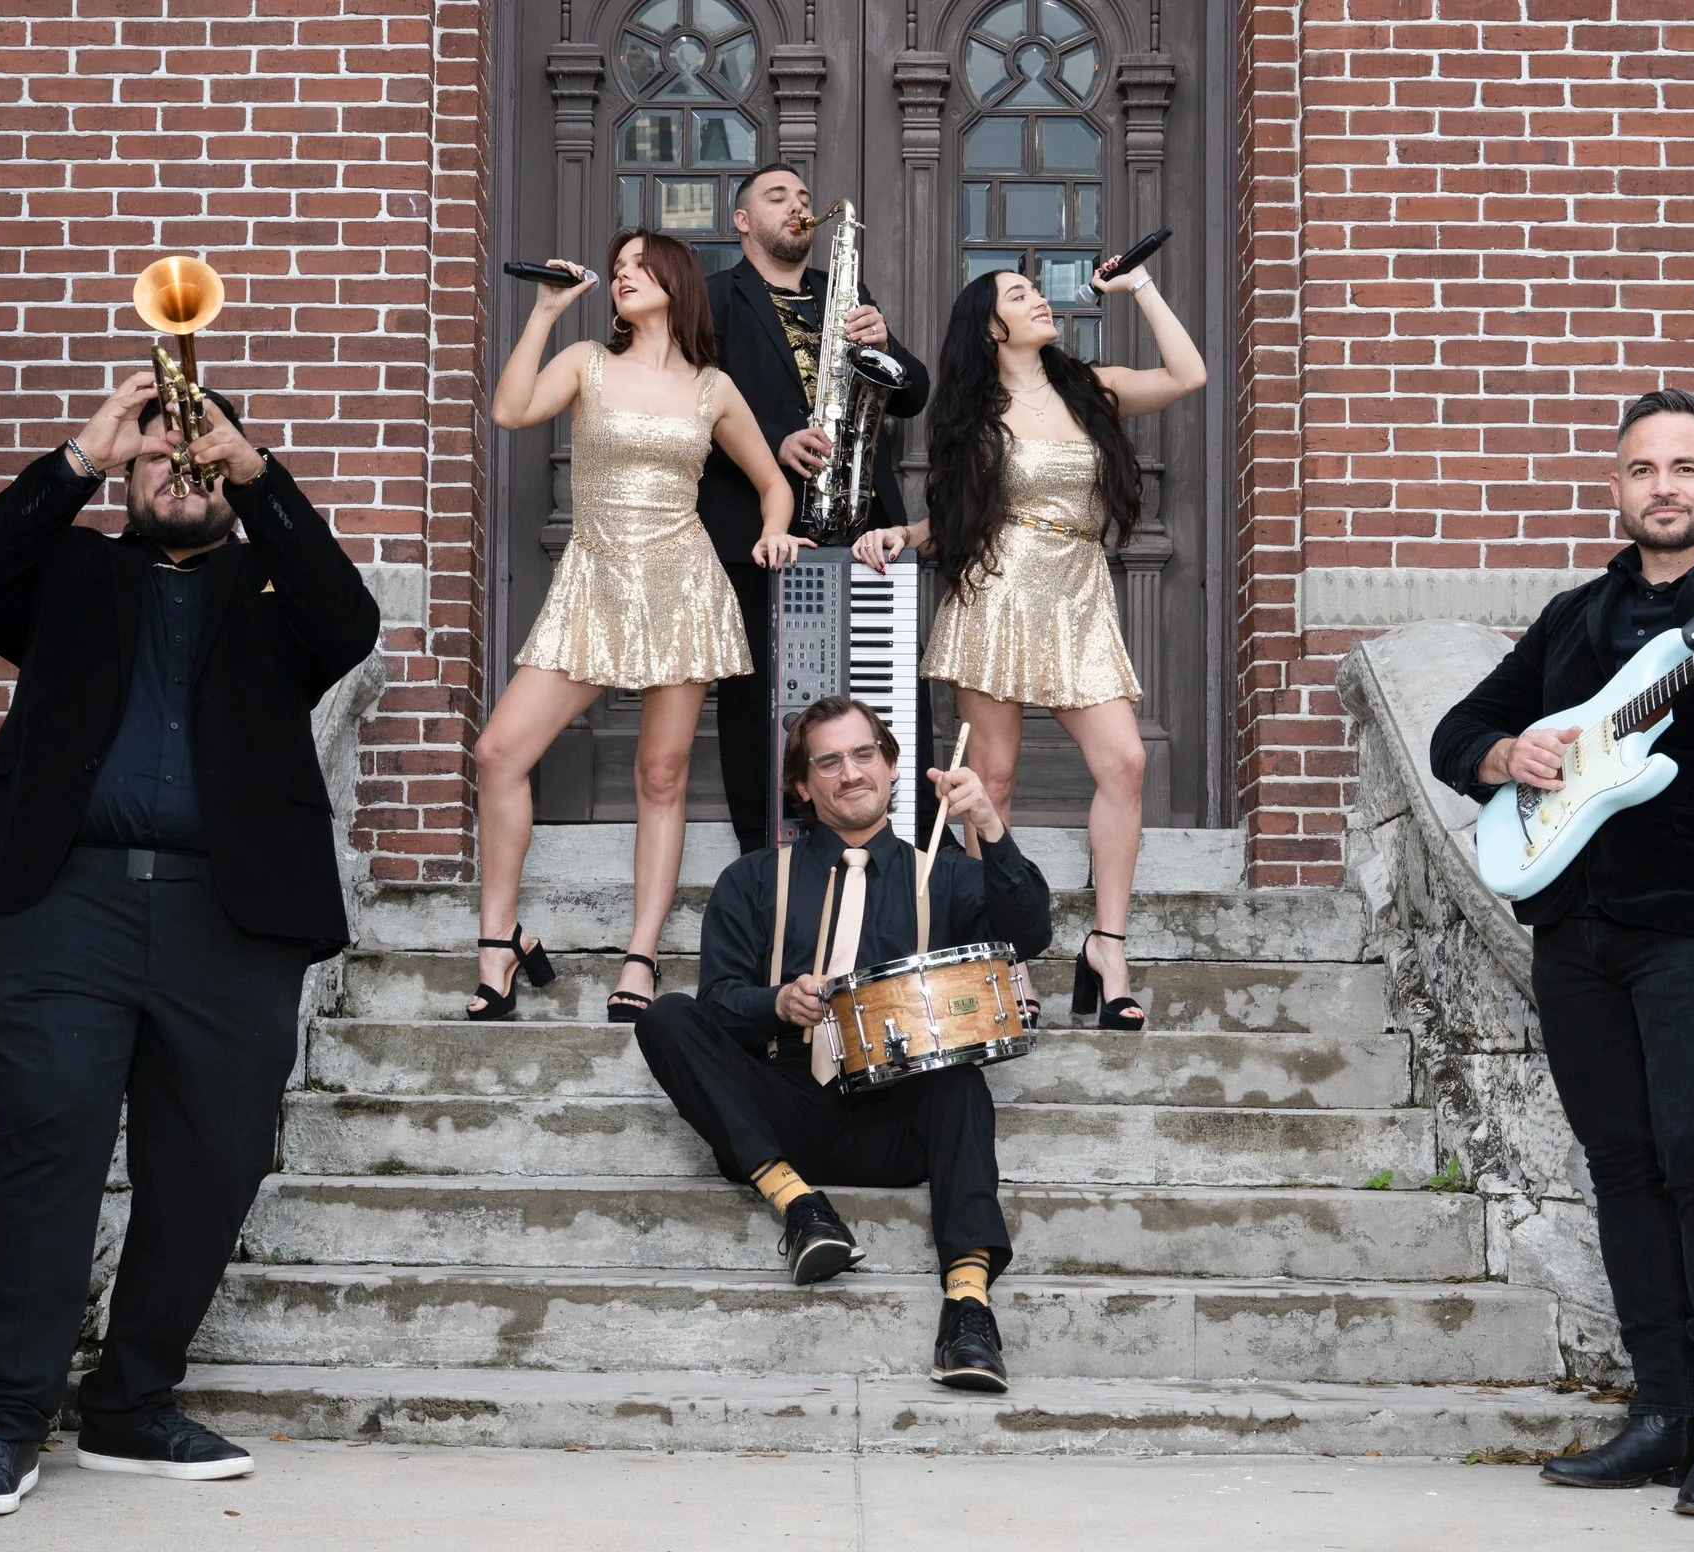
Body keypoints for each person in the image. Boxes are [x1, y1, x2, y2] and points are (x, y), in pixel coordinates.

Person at [0, 370, 381, 1517]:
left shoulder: (276, 594)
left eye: (201, 454)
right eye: (157, 454)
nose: (180, 470)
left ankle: (131, 1403)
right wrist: (82, 453)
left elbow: (351, 621)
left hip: (231, 917)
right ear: (125, 475)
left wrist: (256, 471)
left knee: (214, 1160)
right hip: (59, 903)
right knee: (47, 1145)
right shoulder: (69, 575)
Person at [1429, 388, 1694, 1519]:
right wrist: (1506, 755)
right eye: (1643, 468)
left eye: (1685, 467)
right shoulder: (1573, 617)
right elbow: (1456, 732)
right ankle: (1660, 1413)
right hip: (1574, 927)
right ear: (1616, 486)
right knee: (1619, 1162)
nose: (1664, 486)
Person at [632, 695, 1052, 1392]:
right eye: (828, 762)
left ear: (892, 766)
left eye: (863, 755)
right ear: (803, 786)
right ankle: (799, 1205)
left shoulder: (944, 875)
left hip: (894, 1114)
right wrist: (777, 1002)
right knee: (666, 1016)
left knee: (961, 1079)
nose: (850, 773)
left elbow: (1030, 931)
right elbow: (719, 1002)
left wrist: (987, 823)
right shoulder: (754, 879)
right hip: (783, 1106)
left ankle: (968, 1309)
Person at [853, 263, 1205, 1031]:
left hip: (1078, 594)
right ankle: (1002, 955)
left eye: (1036, 290)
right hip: (998, 593)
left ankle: (1107, 947)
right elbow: (960, 517)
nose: (1039, 299)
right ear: (990, 326)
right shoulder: (977, 414)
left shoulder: (1090, 389)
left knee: (1125, 761)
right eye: (1019, 295)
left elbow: (1189, 375)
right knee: (994, 781)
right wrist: (903, 533)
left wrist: (1143, 287)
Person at [477, 229, 809, 1022]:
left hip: (681, 585)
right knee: (498, 753)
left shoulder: (712, 388)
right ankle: (498, 940)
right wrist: (546, 311)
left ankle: (641, 954)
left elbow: (774, 483)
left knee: (661, 775)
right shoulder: (585, 362)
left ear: (675, 280)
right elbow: (510, 410)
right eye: (617, 267)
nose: (623, 275)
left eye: (638, 266)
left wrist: (773, 532)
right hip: (594, 580)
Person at [702, 163, 931, 853]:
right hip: (758, 525)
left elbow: (912, 393)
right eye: (777, 197)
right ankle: (763, 849)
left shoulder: (845, 294)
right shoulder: (716, 299)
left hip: (860, 518)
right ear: (743, 220)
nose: (798, 206)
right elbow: (689, 406)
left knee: (881, 681)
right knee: (758, 696)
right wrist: (774, 441)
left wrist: (885, 345)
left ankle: (906, 840)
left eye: (803, 196)